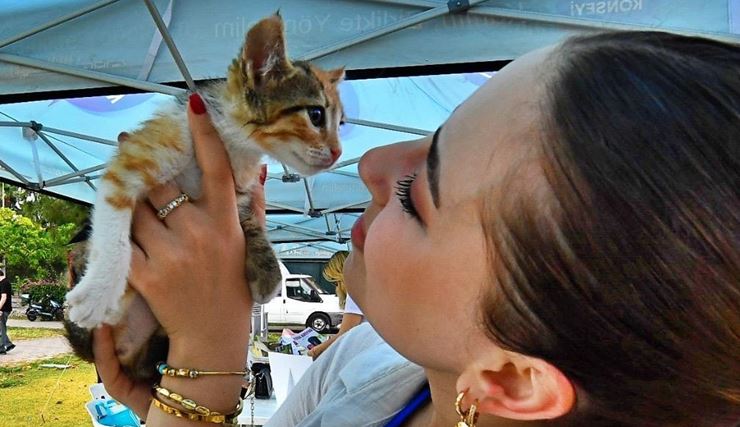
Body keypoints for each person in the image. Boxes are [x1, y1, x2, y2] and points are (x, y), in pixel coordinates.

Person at [93, 31, 739, 427]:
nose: (371, 164)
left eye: (418, 191)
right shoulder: (365, 359)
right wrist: (171, 400)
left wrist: (203, 369)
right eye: (432, 135)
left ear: (512, 380)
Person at [307, 250, 365, 359]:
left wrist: (315, 351)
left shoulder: (355, 292)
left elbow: (345, 334)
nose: (337, 288)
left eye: (335, 282)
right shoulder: (367, 287)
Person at [0, 269, 15, 354]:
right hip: (3, 309)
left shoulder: (4, 283)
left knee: (1, 329)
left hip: (3, 309)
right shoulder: (3, 282)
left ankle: (2, 348)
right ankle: (8, 344)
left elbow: (4, 298)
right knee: (1, 328)